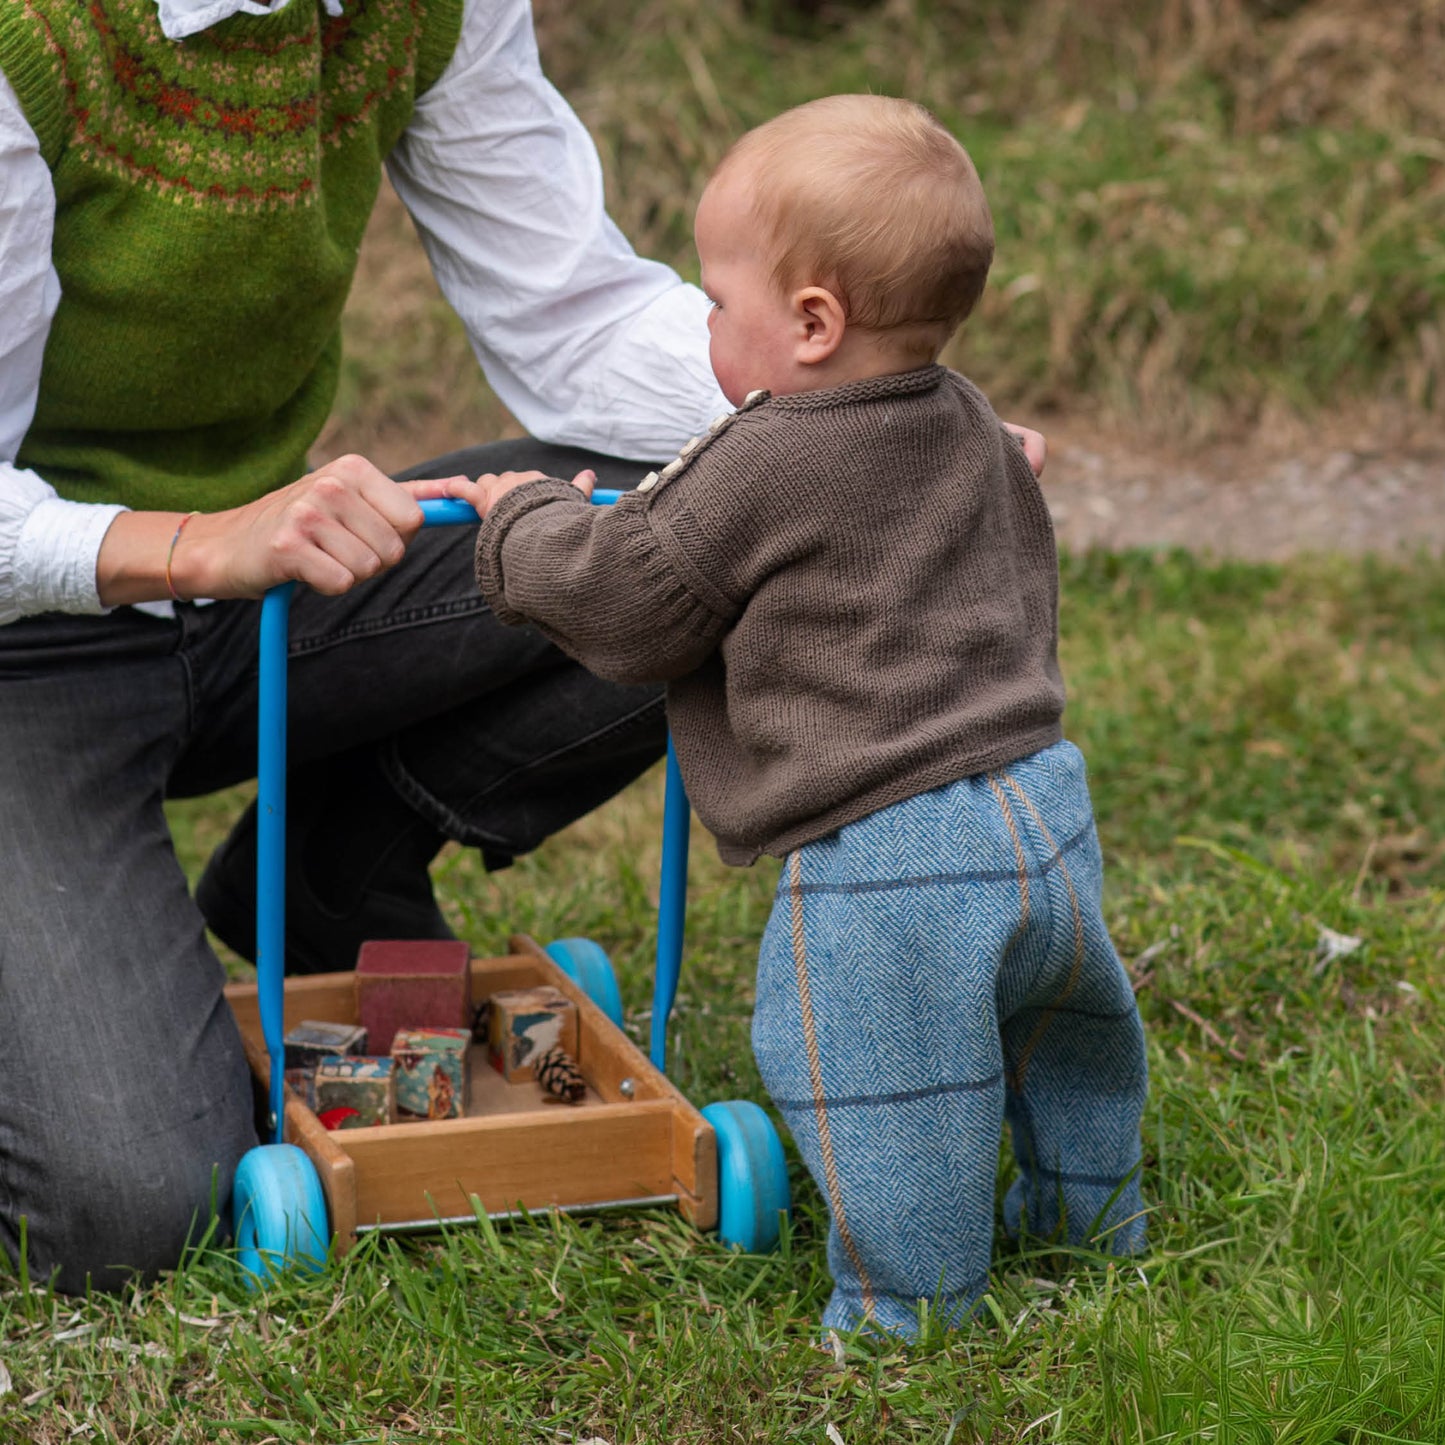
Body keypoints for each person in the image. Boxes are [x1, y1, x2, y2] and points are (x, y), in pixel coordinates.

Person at [0, 2, 1044, 1294]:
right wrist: (190, 542)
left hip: (258, 588)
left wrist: (875, 433)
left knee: (720, 524)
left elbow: (572, 315)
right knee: (123, 1208)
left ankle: (335, 874)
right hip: (33, 639)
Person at [428, 94, 1147, 1336]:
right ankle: (1089, 1217)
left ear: (812, 323)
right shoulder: (968, 417)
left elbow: (623, 597)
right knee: (1067, 1030)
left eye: (715, 301)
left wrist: (523, 517)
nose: (703, 326)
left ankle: (906, 1309)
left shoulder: (758, 458)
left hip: (889, 848)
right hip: (1039, 797)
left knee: (882, 1085)